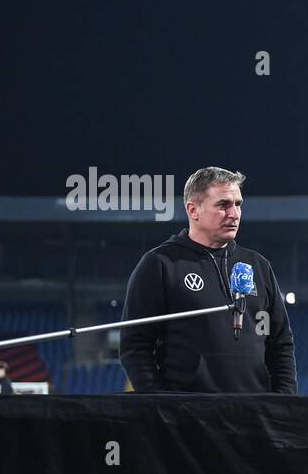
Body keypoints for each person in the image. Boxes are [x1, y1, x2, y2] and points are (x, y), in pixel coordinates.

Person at [119, 167, 297, 393]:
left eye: (238, 204)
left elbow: (280, 343)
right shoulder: (160, 264)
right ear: (193, 210)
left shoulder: (259, 266)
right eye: (223, 205)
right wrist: (160, 405)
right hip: (189, 416)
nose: (234, 213)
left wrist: (284, 402)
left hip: (256, 415)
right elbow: (135, 346)